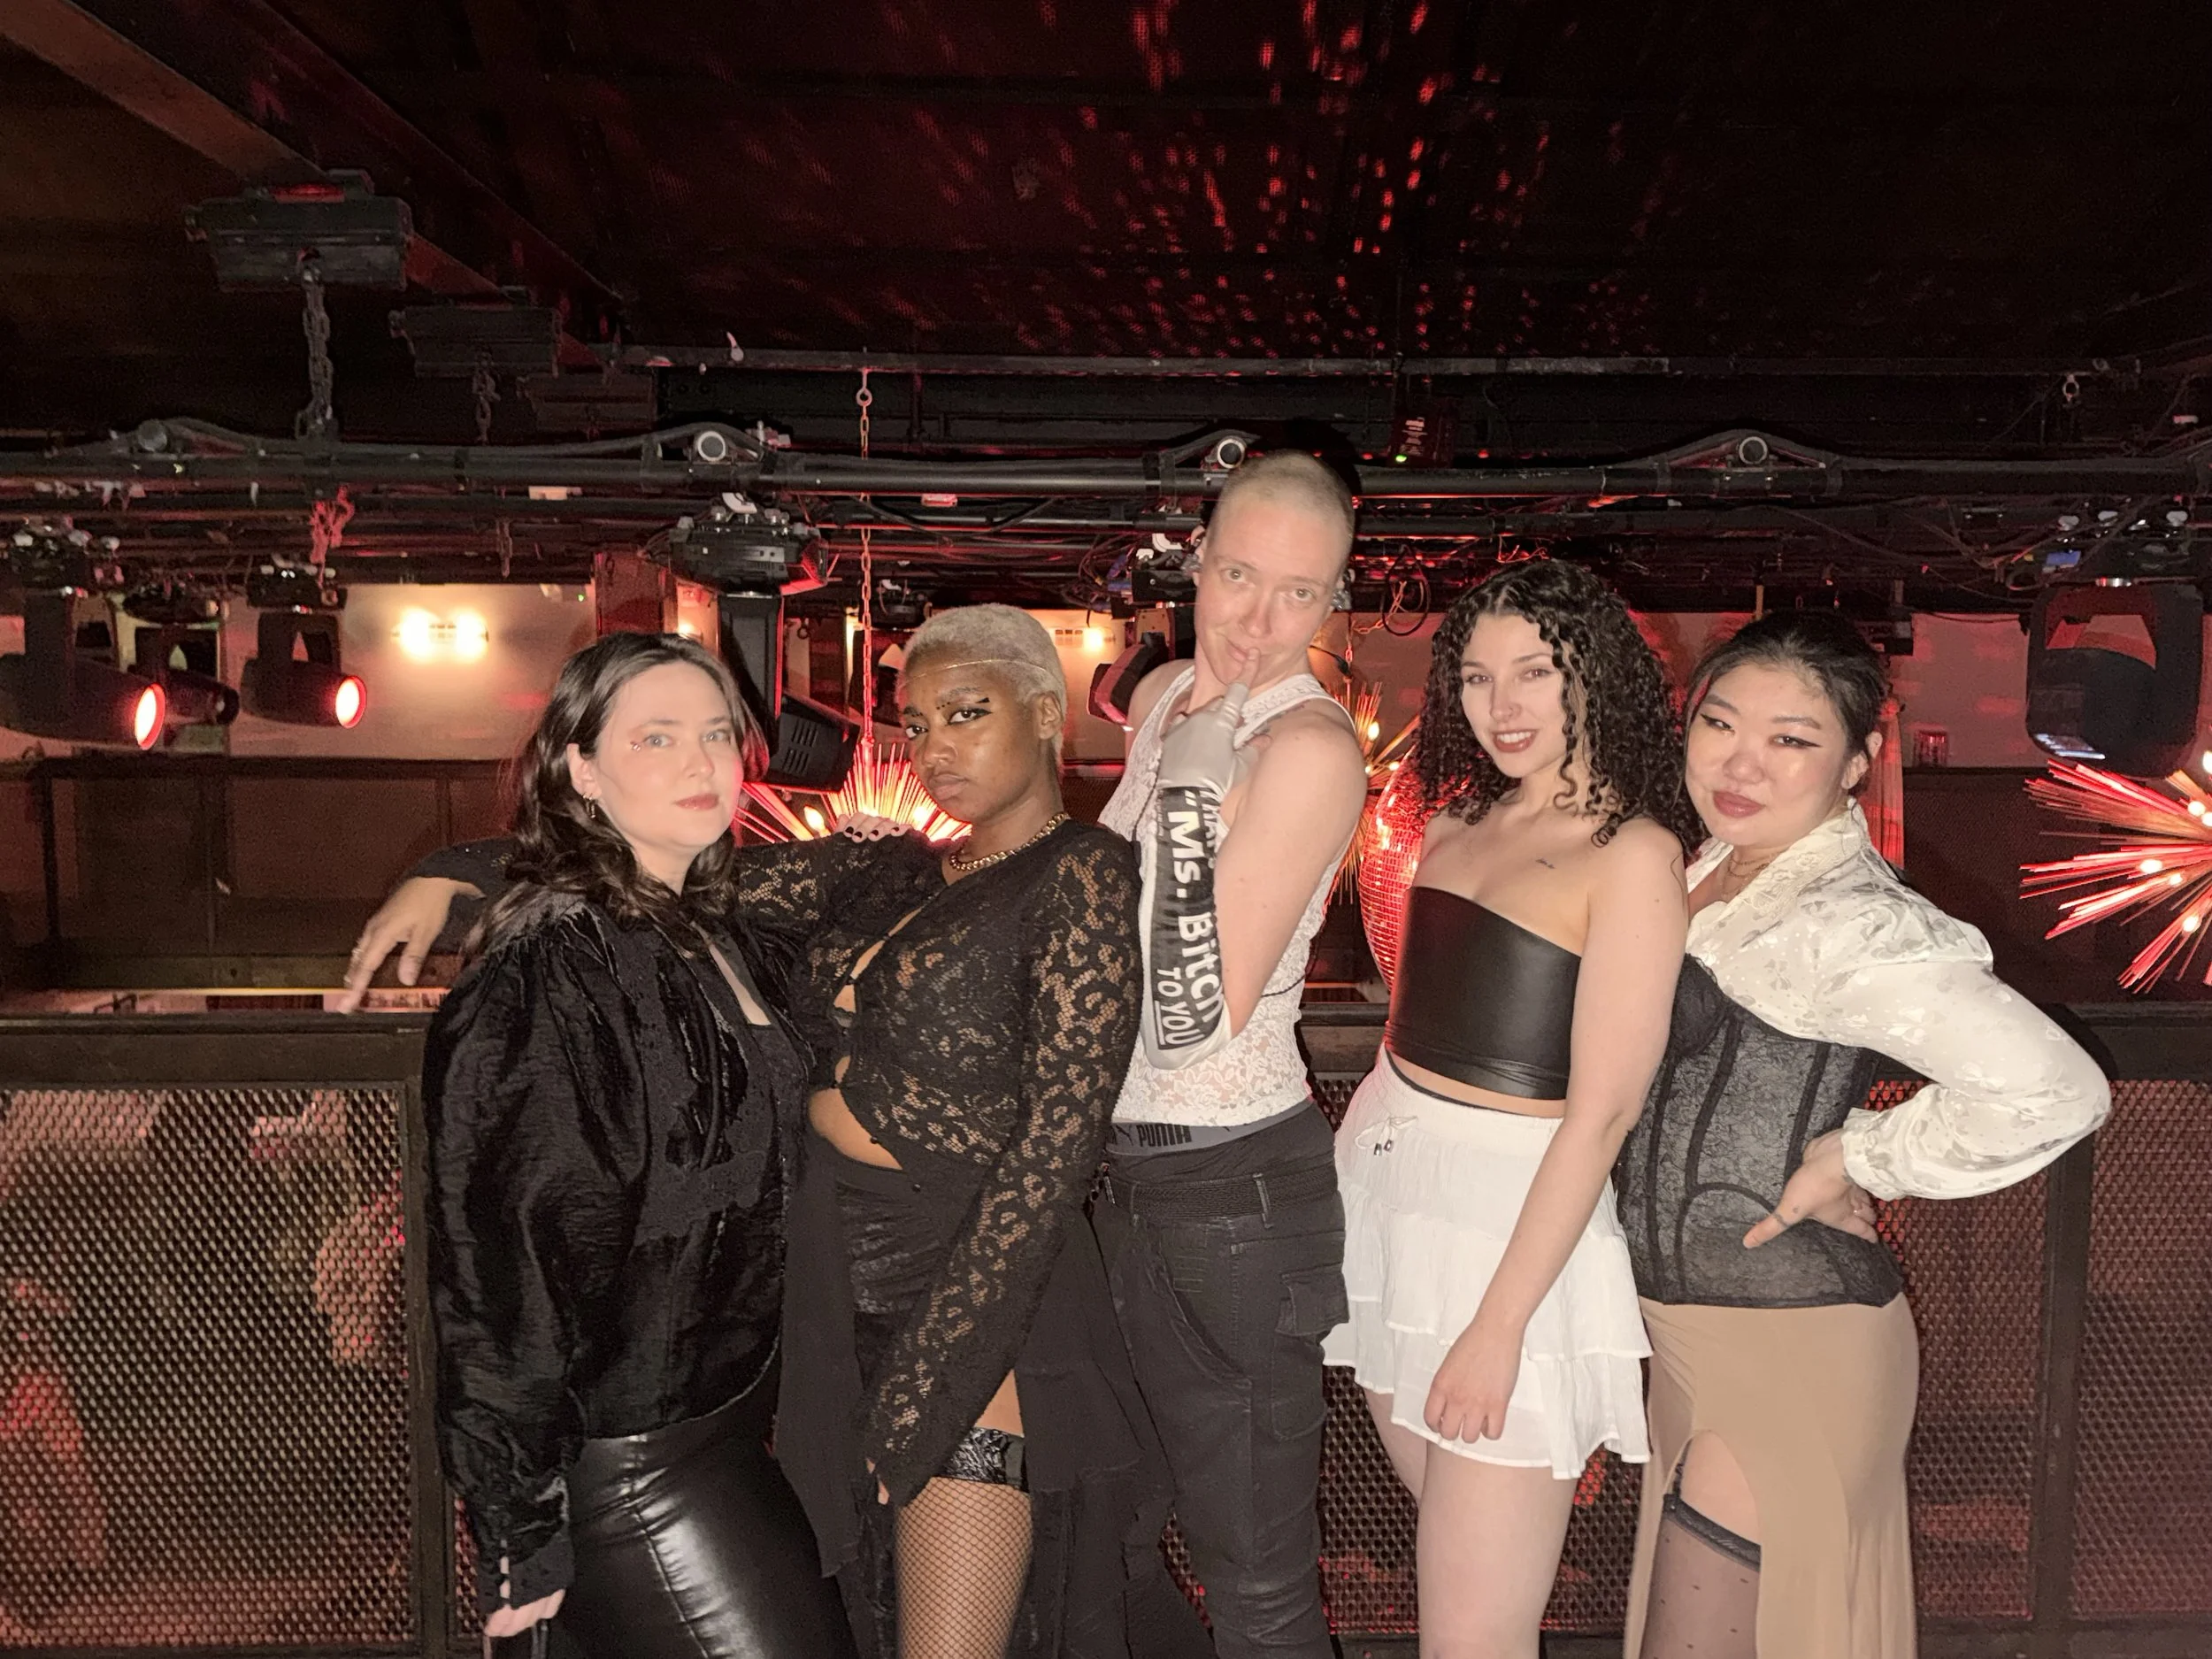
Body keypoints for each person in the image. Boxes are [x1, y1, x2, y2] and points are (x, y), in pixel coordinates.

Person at [345, 607, 1198, 1659]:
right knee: (857, 1614)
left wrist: (933, 1375)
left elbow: (1053, 1154)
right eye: (916, 724)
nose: (934, 749)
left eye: (967, 714)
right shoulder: (889, 871)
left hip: (970, 1293)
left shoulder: (1082, 871)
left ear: (1045, 714)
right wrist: (456, 868)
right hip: (822, 1306)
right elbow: (656, 869)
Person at [1613, 611, 2109, 1659]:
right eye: (1719, 724)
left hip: (1792, 1340)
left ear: (1856, 762)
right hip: (1687, 1335)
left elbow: (2055, 1090)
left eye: (1790, 739)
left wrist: (1862, 1155)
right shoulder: (1705, 868)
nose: (1741, 763)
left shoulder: (1847, 919)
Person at [416, 631, 853, 1658]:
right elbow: (504, 1269)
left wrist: (448, 868)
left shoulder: (720, 930)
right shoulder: (551, 974)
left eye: (716, 734)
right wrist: (516, 1528)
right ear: (581, 768)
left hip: (727, 1425)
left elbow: (891, 877)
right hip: (628, 1463)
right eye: (656, 738)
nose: (701, 763)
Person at [1323, 559, 1696, 1659]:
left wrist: (1498, 1330)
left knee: (1471, 1637)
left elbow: (1602, 1114)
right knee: (1461, 1592)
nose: (1504, 705)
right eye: (1478, 678)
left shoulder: (1634, 851)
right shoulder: (1450, 823)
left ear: (1596, 678)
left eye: (1535, 671)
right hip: (1388, 1201)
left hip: (1512, 1236)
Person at [1089, 452, 1371, 1659]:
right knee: (1105, 1534)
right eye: (1241, 576)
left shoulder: (1308, 748)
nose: (1259, 620)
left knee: (1254, 1584)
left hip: (1233, 1196)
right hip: (1125, 1177)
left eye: (1298, 592)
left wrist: (1195, 805)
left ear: (1334, 600)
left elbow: (1189, 1018)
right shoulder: (1164, 702)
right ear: (1195, 562)